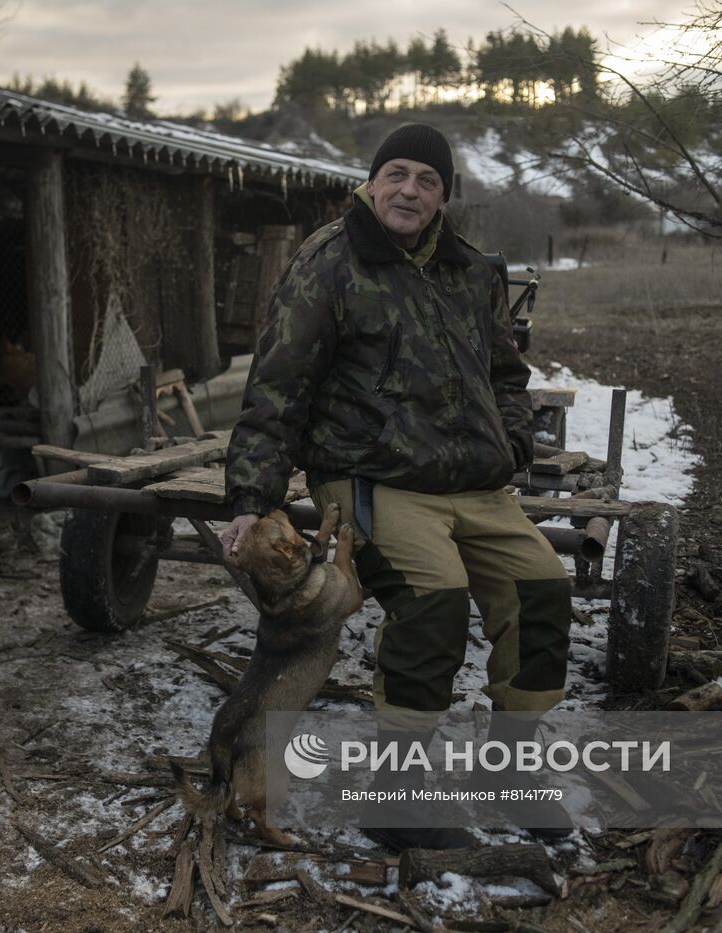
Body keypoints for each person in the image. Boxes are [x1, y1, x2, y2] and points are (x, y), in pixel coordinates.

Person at [219, 123, 573, 851]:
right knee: (433, 600)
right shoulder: (331, 262)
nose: (410, 190)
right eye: (398, 174)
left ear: (444, 196)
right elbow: (277, 385)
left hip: (474, 484)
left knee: (542, 590)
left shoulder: (470, 272)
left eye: (428, 180)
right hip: (370, 475)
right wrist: (253, 499)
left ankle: (509, 767)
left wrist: (510, 442)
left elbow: (507, 373)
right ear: (373, 181)